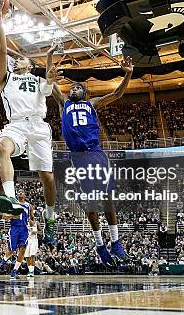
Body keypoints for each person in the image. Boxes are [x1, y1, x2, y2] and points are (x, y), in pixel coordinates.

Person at [0, 0, 59, 244]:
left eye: (22, 59)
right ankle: (10, 197)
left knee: (48, 178)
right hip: (16, 125)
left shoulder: (39, 80)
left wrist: (50, 76)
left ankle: (50, 217)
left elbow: (49, 85)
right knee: (1, 148)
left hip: (39, 126)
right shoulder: (6, 78)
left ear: (30, 65)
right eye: (15, 58)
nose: (17, 59)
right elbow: (0, 50)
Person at [51, 55, 133, 265]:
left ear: (85, 93)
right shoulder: (64, 103)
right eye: (72, 88)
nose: (74, 89)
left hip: (96, 152)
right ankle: (99, 244)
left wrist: (129, 74)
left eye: (78, 88)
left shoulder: (92, 104)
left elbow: (117, 93)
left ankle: (115, 242)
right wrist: (49, 71)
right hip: (78, 156)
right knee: (91, 201)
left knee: (107, 198)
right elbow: (50, 84)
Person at [0, 191, 32, 280]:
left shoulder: (29, 206)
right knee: (12, 250)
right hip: (14, 228)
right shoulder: (12, 203)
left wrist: (33, 225)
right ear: (17, 195)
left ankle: (14, 271)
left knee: (23, 249)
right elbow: (3, 216)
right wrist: (13, 216)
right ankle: (4, 260)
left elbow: (32, 218)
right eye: (19, 192)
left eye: (22, 192)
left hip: (24, 229)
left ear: (25, 195)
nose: (21, 193)